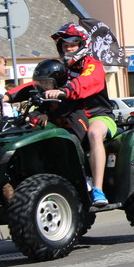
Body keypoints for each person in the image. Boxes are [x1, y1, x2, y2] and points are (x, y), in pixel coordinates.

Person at [43, 23, 117, 205]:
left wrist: (65, 91)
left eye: (73, 44)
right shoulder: (63, 70)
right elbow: (39, 82)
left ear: (82, 45)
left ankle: (98, 190)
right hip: (72, 117)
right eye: (65, 45)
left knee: (93, 133)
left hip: (99, 116)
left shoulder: (94, 65)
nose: (68, 48)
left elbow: (86, 82)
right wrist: (8, 95)